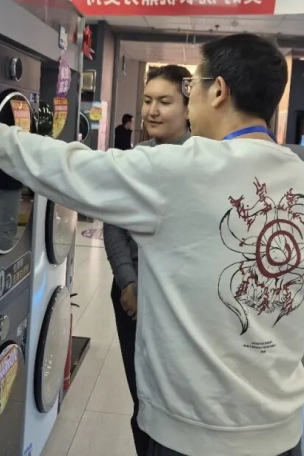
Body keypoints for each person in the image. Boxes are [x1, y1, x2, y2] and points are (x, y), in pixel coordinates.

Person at [0, 33, 304, 456]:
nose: (187, 101)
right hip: (282, 432)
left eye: (191, 88)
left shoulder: (185, 168)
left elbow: (69, 168)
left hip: (193, 431)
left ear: (219, 91)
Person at [104, 64, 192, 456]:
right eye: (147, 100)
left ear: (188, 108)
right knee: (141, 397)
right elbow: (113, 223)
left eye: (165, 101)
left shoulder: (202, 164)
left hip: (177, 302)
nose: (152, 110)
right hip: (130, 297)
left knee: (172, 401)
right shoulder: (135, 160)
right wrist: (127, 281)